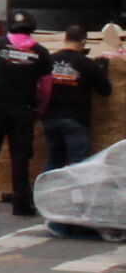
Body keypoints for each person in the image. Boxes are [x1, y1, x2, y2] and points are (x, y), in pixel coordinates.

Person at [0, 9, 53, 216]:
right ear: (31, 29)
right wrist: (40, 108)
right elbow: (46, 87)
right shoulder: (41, 53)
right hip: (23, 110)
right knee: (20, 157)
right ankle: (21, 203)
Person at [42, 24, 111, 172]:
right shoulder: (87, 64)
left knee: (55, 161)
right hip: (75, 121)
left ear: (65, 39)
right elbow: (105, 91)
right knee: (80, 166)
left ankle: (43, 192)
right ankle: (78, 195)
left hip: (50, 119)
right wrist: (102, 71)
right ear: (83, 42)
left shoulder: (48, 61)